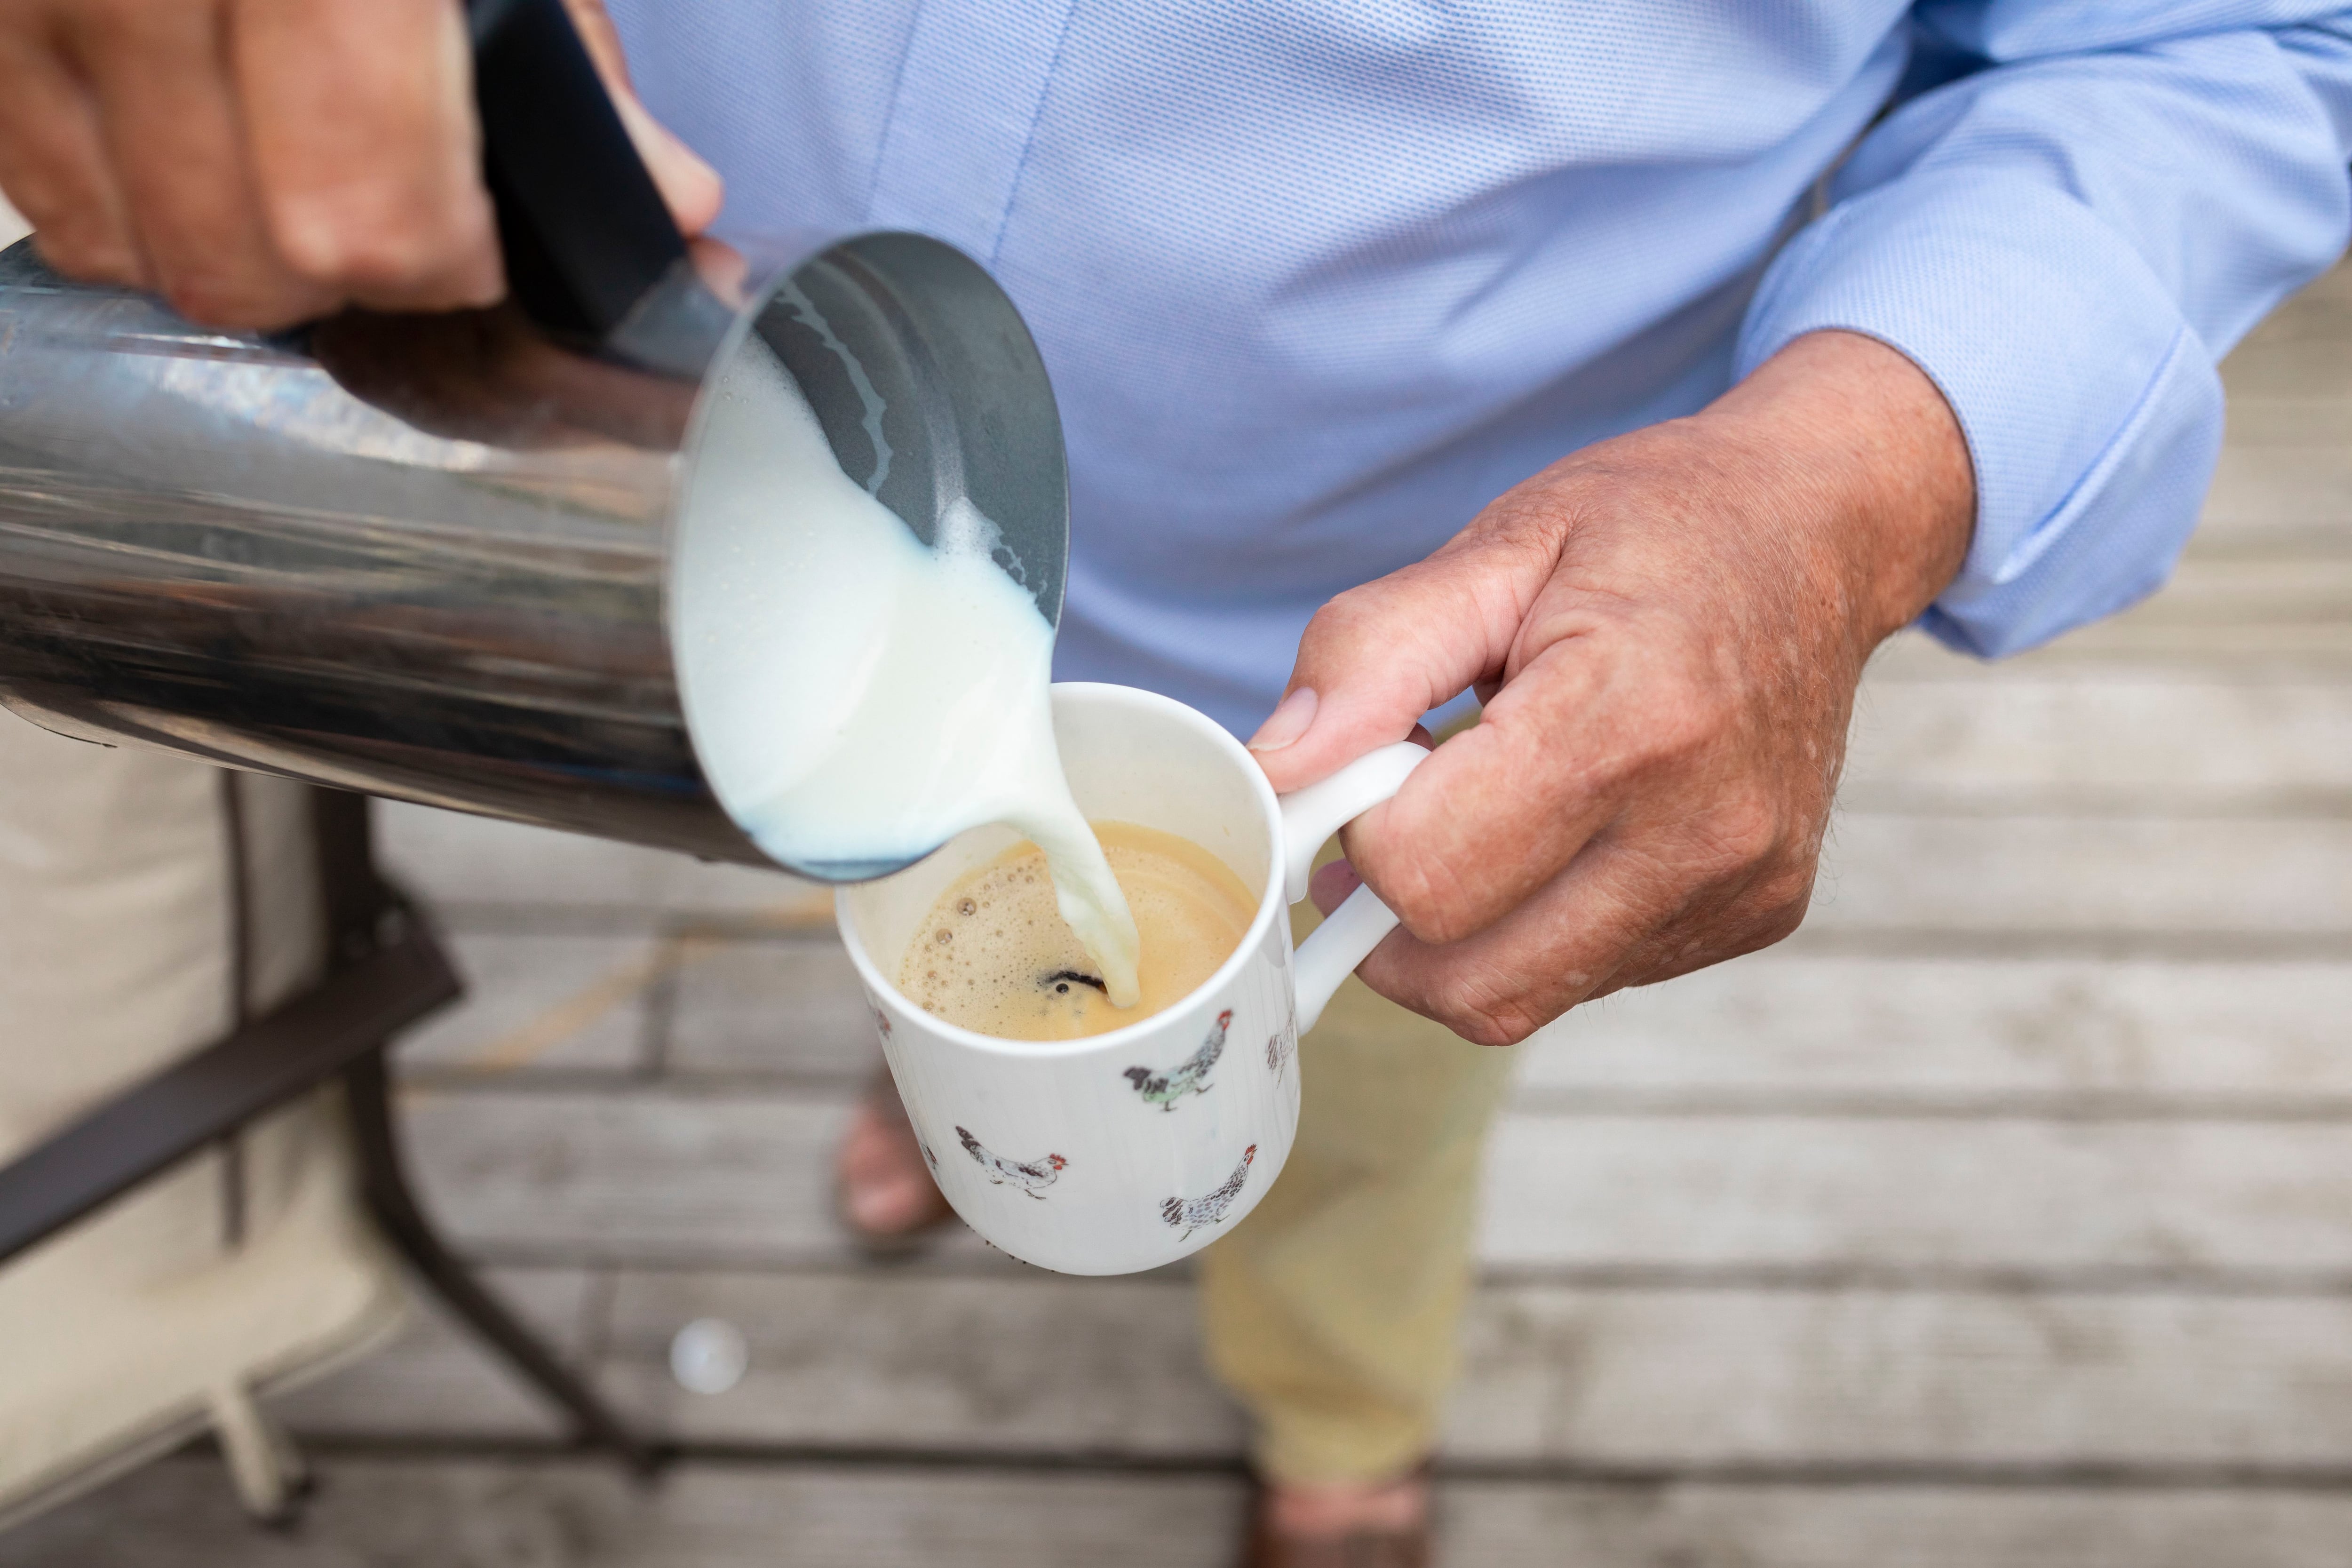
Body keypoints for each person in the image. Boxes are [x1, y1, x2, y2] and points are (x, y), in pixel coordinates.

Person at [4, 1, 2346, 1561]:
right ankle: (984, 1118)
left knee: (1368, 1123)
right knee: (913, 917)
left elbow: (2215, 37)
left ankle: (1339, 1451)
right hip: (746, 541)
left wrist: (1842, 483)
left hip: (1409, 659)